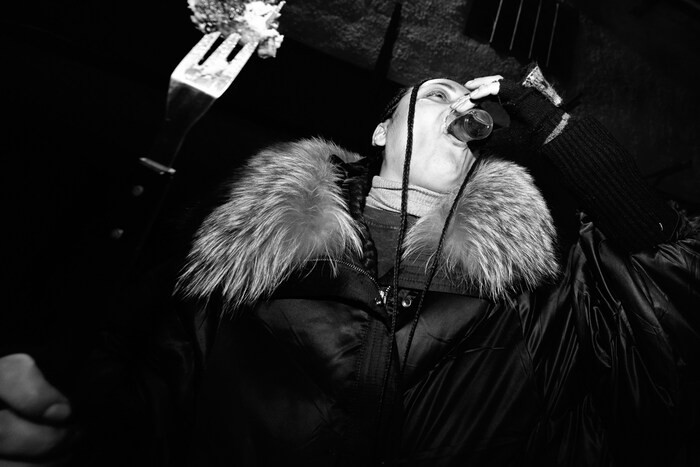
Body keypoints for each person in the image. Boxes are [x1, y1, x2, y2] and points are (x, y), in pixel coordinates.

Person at [1, 65, 698, 466]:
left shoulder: (535, 295)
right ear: (381, 131)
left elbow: (673, 292)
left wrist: (556, 128)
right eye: (436, 94)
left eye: (467, 105)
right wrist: (64, 433)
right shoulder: (246, 262)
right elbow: (145, 406)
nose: (460, 106)